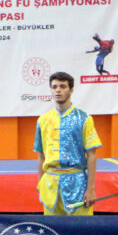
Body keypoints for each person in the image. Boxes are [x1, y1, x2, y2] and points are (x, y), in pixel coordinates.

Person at [34, 72, 103, 215]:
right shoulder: (43, 120)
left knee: (81, 228)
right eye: (54, 87)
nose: (58, 90)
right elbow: (41, 155)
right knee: (52, 228)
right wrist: (41, 184)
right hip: (50, 187)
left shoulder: (84, 119)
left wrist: (90, 189)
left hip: (78, 186)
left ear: (71, 90)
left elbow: (92, 155)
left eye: (62, 86)